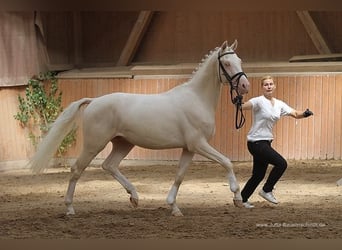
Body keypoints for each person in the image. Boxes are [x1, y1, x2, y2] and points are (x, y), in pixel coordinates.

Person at [237, 75, 313, 208]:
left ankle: (242, 199)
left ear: (274, 86)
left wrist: (305, 114)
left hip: (265, 142)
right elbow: (243, 107)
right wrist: (238, 101)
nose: (269, 86)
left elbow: (295, 113)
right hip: (255, 142)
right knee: (281, 163)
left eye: (271, 84)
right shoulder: (258, 101)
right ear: (262, 87)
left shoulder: (279, 104)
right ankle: (267, 190)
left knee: (258, 175)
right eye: (266, 84)